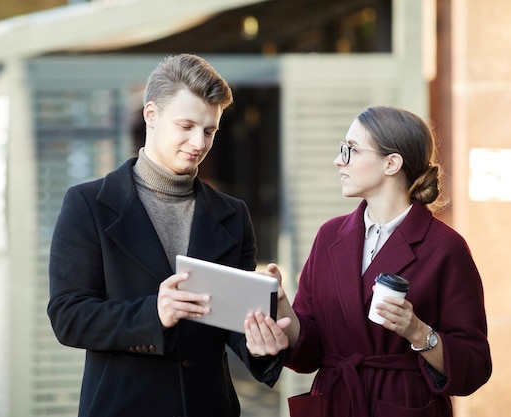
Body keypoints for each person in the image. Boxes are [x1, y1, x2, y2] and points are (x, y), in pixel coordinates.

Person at [47, 53, 289, 417]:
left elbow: (233, 327)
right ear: (151, 115)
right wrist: (152, 314)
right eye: (186, 125)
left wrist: (259, 340)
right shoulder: (88, 204)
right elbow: (68, 316)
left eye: (209, 131)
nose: (199, 142)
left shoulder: (233, 215)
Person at [253, 105, 492, 416]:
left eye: (351, 150)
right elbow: (310, 351)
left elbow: (475, 365)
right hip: (334, 400)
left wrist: (419, 332)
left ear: (391, 163)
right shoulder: (329, 236)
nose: (338, 160)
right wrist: (282, 304)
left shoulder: (445, 247)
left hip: (403, 403)